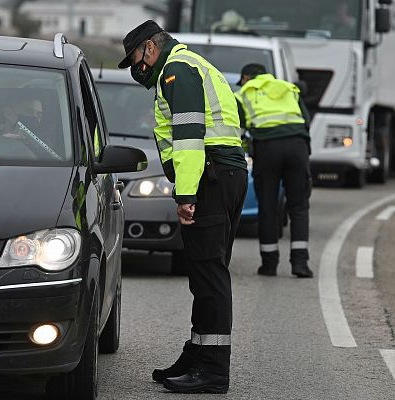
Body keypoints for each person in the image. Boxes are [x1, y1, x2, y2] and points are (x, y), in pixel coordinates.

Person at [118, 20, 247, 394]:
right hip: (223, 174)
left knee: (208, 274)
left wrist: (186, 195)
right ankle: (197, 353)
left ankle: (212, 370)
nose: (137, 70)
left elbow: (189, 139)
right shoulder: (194, 65)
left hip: (209, 177)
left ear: (150, 49)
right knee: (206, 272)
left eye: (136, 61)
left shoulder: (177, 71)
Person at [235, 63, 313, 278]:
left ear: (246, 77)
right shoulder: (288, 88)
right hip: (297, 147)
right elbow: (305, 121)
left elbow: (237, 132)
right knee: (298, 206)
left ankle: (269, 265)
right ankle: (300, 264)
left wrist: (246, 151)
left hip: (267, 149)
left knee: (268, 206)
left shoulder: (244, 94)